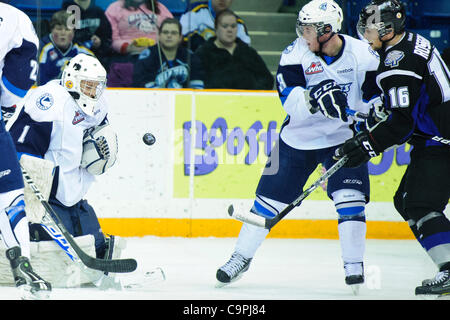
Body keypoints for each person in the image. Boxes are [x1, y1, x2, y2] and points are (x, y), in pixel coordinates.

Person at [215, 0, 382, 293]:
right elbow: (288, 99)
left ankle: (353, 264)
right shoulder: (295, 53)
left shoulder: (362, 55)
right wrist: (312, 98)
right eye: (302, 28)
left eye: (310, 30)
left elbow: (373, 97)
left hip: (342, 139)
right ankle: (240, 257)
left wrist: (371, 113)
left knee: (349, 197)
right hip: (297, 139)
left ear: (328, 30)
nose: (304, 35)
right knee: (266, 203)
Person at [334, 0, 450, 296]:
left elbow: (401, 124)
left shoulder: (396, 63)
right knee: (406, 200)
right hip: (436, 138)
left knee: (421, 204)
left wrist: (368, 145)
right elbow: (409, 102)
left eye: (370, 25)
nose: (364, 30)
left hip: (442, 141)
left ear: (386, 29)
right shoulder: (410, 43)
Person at [9, 54, 122, 272]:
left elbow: (99, 133)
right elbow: (20, 144)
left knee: (92, 238)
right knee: (49, 250)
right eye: (89, 86)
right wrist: (29, 192)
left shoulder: (98, 105)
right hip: (47, 196)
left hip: (74, 190)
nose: (95, 92)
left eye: (98, 87)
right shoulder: (49, 101)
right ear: (71, 80)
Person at [0, 2, 52, 299]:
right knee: (8, 192)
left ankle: (21, 263)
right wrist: (6, 108)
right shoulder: (14, 18)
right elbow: (20, 75)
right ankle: (21, 263)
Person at [195, 9, 273, 90]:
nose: (229, 30)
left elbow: (267, 78)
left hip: (248, 100)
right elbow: (198, 81)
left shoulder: (248, 52)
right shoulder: (203, 53)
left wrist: (253, 94)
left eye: (233, 26)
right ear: (216, 28)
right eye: (225, 26)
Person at [133, 18, 205, 89]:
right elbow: (142, 84)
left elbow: (197, 86)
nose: (169, 35)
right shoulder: (148, 55)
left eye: (174, 33)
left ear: (180, 37)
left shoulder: (190, 57)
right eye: (165, 32)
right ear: (159, 36)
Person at [38, 10, 94, 85]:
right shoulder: (43, 49)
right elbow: (39, 80)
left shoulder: (81, 50)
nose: (63, 33)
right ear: (51, 30)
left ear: (74, 31)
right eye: (59, 29)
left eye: (67, 29)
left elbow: (97, 72)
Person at [105, 0, 173, 58]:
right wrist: (128, 48)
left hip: (158, 53)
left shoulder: (159, 7)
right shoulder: (114, 8)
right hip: (129, 55)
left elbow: (172, 30)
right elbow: (112, 39)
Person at [180, 0, 251, 52]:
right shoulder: (195, 10)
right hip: (196, 61)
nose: (222, 0)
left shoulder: (238, 23)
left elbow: (245, 48)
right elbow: (184, 35)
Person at [62, 0, 113, 68]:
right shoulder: (67, 9)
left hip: (96, 58)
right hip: (73, 57)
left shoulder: (98, 11)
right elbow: (63, 36)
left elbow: (107, 36)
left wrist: (100, 42)